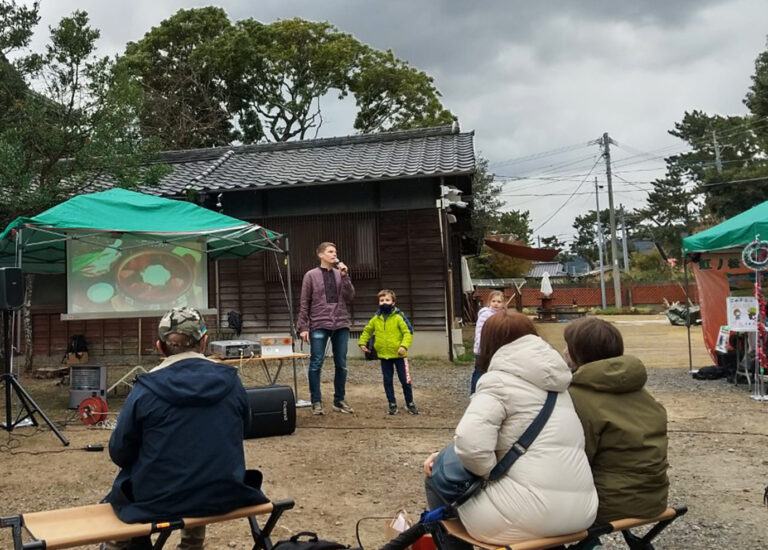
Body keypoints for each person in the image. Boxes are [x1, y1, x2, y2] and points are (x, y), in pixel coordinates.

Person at [423, 311, 598, 548]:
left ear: (488, 345)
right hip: (581, 513)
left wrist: (486, 474)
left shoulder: (498, 381)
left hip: (526, 519)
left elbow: (470, 445)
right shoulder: (559, 384)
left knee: (436, 474)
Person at [101, 307, 268, 550]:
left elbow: (120, 452)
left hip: (158, 500)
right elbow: (243, 430)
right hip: (223, 492)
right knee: (198, 469)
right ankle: (192, 545)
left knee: (124, 511)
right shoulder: (232, 381)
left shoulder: (145, 389)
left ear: (160, 347)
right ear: (205, 343)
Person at [563, 317, 669, 524]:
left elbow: (574, 460)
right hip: (654, 498)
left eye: (567, 346)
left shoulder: (578, 398)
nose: (564, 351)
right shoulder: (639, 391)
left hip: (610, 503)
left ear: (578, 353)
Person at [298, 242, 355, 415]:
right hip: (319, 323)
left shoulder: (341, 274)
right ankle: (316, 401)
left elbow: (350, 296)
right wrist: (303, 326)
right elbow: (304, 301)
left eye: (335, 252)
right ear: (320, 255)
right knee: (316, 363)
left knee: (342, 364)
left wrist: (344, 276)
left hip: (341, 323)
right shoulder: (310, 275)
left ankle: (339, 400)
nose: (334, 254)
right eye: (330, 251)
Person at [359, 289, 418, 415]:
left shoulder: (398, 317)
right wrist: (363, 342)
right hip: (384, 356)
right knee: (387, 380)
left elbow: (408, 332)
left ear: (393, 302)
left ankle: (410, 403)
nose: (384, 302)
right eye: (381, 300)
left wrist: (404, 346)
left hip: (399, 355)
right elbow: (367, 330)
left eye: (387, 300)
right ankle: (392, 403)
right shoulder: (376, 318)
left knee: (405, 380)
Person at [470, 290, 505, 393]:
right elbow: (479, 332)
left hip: (497, 349)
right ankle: (474, 393)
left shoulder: (503, 316)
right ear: (489, 302)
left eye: (499, 302)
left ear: (503, 304)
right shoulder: (485, 315)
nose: (496, 304)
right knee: (479, 372)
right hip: (483, 349)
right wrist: (482, 347)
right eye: (493, 301)